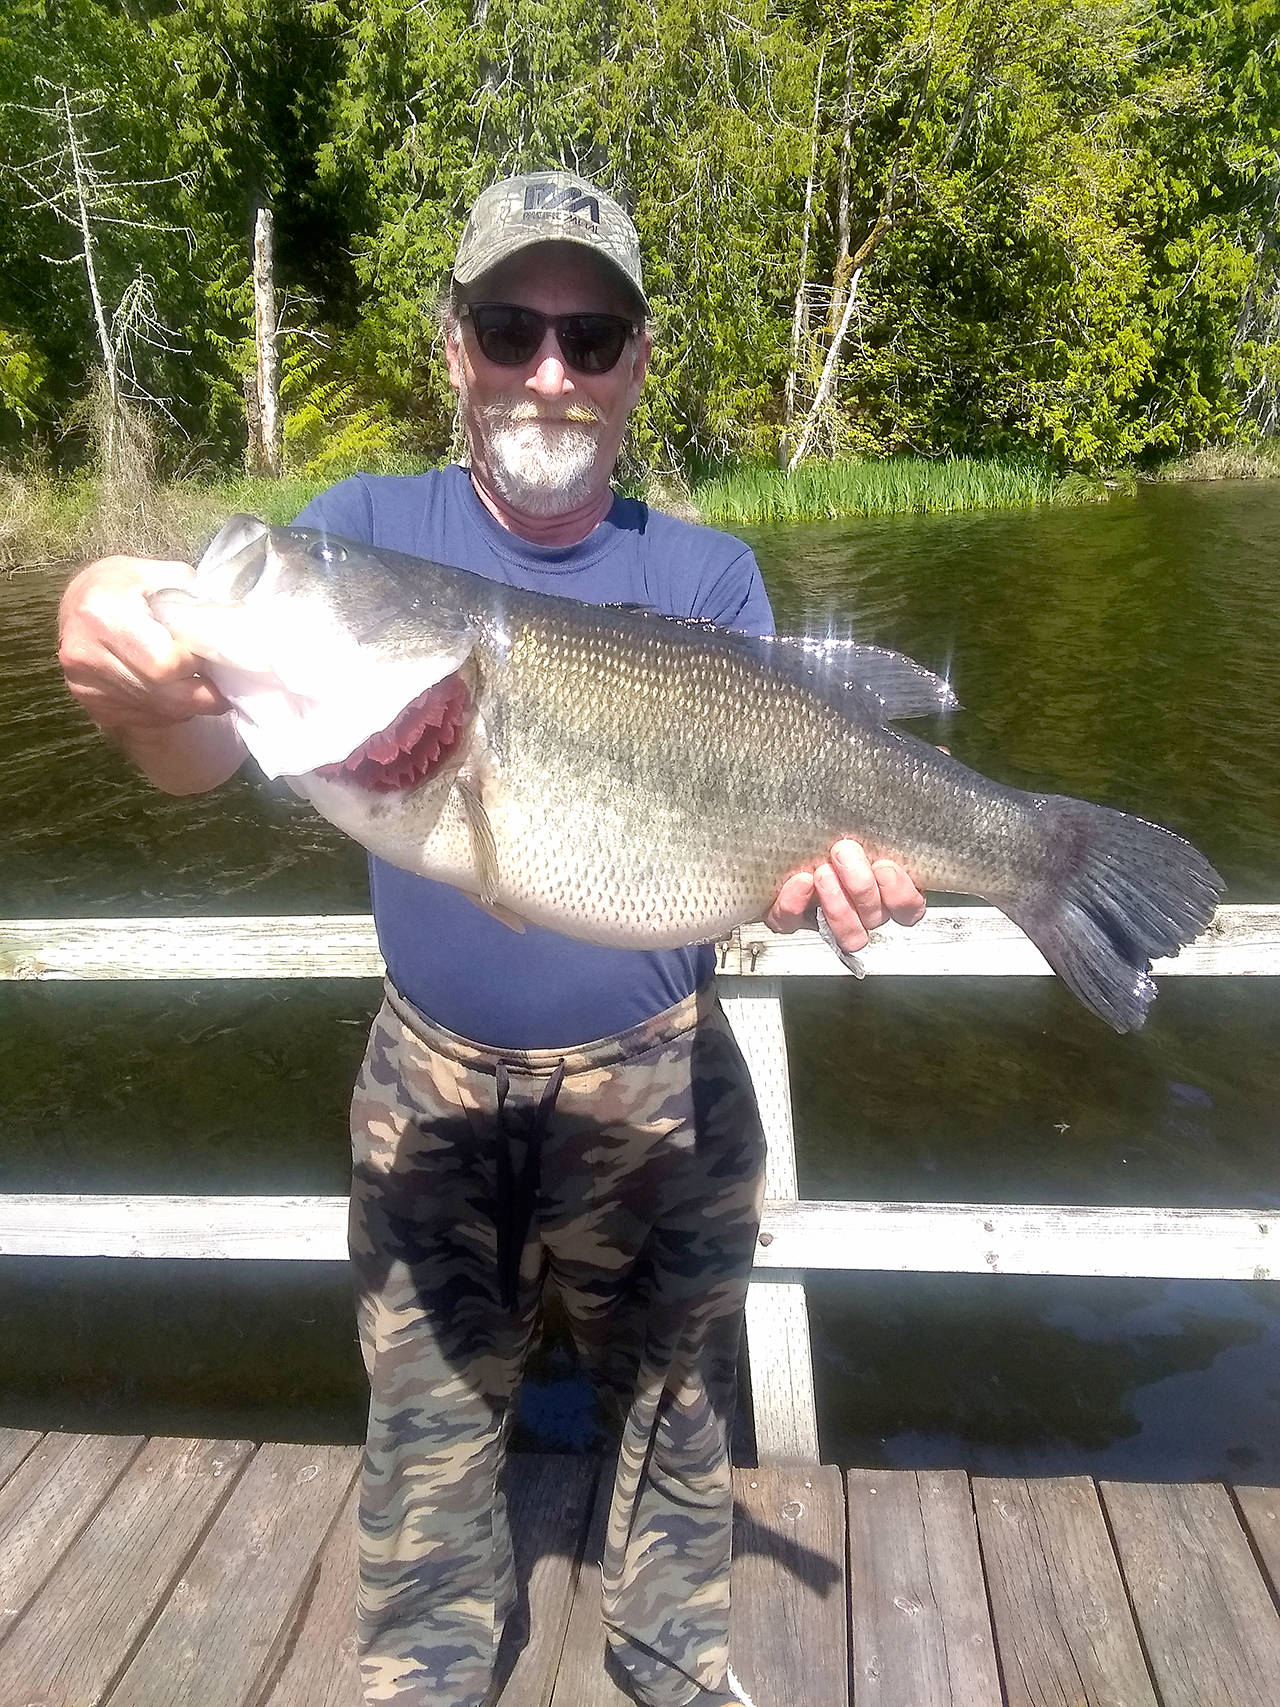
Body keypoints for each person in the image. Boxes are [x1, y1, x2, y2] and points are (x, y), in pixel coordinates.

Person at [58, 171, 926, 1707]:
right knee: (426, 1437)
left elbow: (771, 840)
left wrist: (829, 881)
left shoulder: (706, 577)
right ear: (456, 343)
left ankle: (669, 1662)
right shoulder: (360, 532)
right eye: (513, 326)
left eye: (591, 338)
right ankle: (430, 1678)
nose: (550, 371)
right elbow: (197, 737)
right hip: (431, 1091)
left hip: (658, 1086)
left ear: (637, 362)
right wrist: (114, 619)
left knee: (674, 1426)